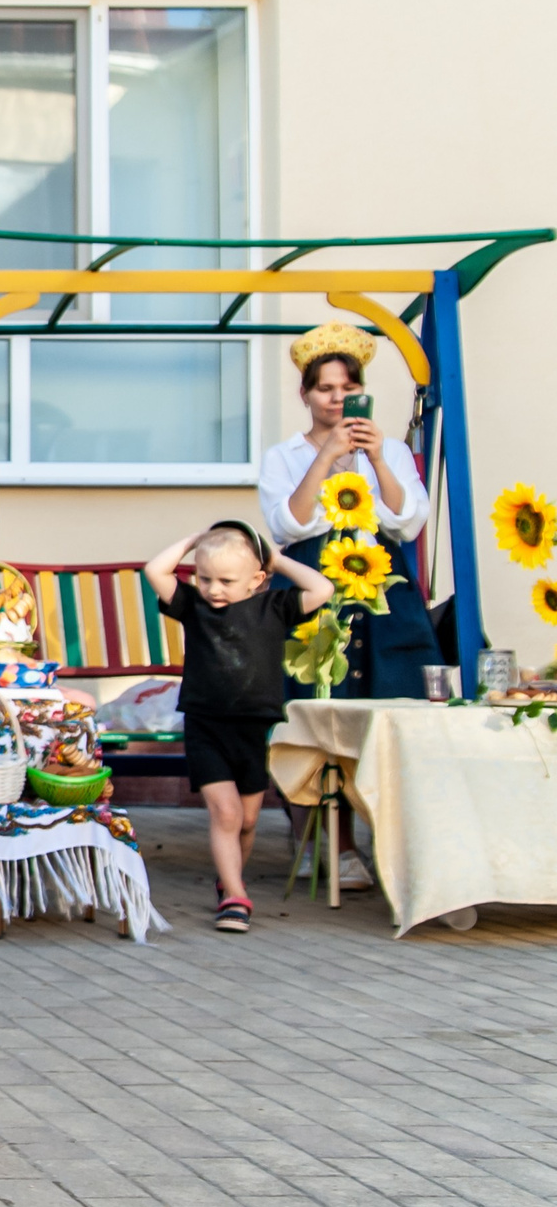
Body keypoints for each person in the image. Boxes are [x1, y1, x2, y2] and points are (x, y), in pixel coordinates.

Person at [257, 322, 438, 891]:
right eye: (324, 388)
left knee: (390, 703)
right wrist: (327, 458)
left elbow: (408, 521)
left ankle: (391, 844)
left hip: (379, 588)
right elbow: (288, 523)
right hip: (315, 586)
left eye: (347, 386)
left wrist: (378, 460)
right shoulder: (283, 455)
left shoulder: (390, 450)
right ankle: (325, 841)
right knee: (316, 703)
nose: (336, 397)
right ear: (304, 395)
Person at [143, 522, 333, 932]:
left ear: (257, 581)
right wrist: (193, 541)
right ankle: (234, 895)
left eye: (227, 581)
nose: (214, 589)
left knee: (247, 820)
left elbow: (322, 590)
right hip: (205, 725)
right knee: (226, 815)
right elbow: (156, 572)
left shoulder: (274, 607)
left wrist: (279, 558)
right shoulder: (192, 606)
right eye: (205, 577)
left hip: (252, 729)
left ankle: (229, 879)